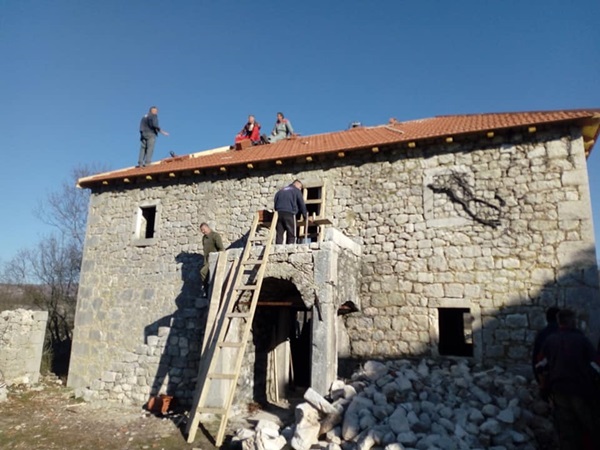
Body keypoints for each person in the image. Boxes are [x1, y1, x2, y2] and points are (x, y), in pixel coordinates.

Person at [537, 309, 600, 449]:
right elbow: (596, 365)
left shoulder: (550, 340)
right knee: (589, 425)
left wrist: (543, 387)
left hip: (559, 390)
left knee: (566, 429)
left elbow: (540, 366)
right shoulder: (581, 340)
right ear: (572, 321)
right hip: (580, 390)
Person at [274, 180, 308, 244]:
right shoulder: (296, 190)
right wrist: (305, 216)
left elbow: (275, 202)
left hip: (278, 214)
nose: (300, 189)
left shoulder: (280, 191)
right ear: (298, 185)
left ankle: (277, 248)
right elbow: (301, 204)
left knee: (279, 234)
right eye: (300, 188)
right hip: (289, 214)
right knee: (291, 233)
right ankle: (290, 248)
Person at [531, 306, 560, 383]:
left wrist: (539, 380)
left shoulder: (542, 335)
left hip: (547, 376)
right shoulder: (569, 334)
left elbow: (536, 358)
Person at [200, 223, 224, 296]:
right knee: (206, 275)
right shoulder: (204, 238)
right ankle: (207, 292)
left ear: (207, 227)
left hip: (214, 259)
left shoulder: (215, 236)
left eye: (203, 229)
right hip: (206, 260)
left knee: (203, 272)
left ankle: (208, 292)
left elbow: (221, 248)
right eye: (201, 230)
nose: (203, 231)